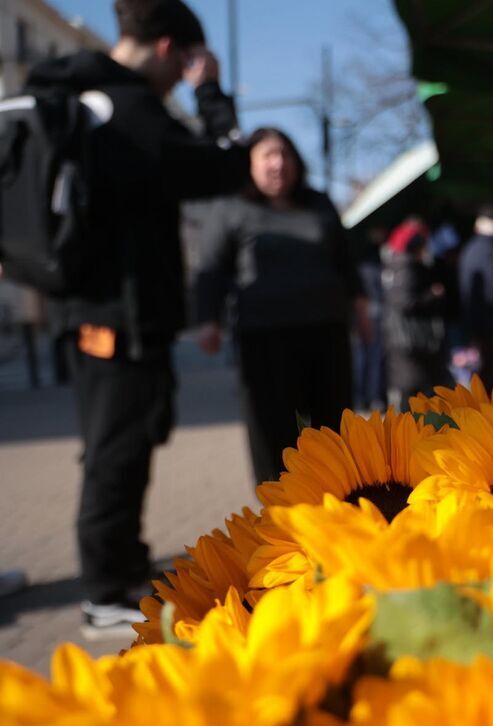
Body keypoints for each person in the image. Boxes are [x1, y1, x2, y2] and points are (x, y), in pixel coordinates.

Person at [25, 0, 249, 638]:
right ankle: (105, 593)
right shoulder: (131, 112)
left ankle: (120, 567)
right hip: (115, 316)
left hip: (97, 311)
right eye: (185, 65)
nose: (184, 76)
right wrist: (212, 96)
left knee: (118, 443)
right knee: (115, 451)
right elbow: (224, 166)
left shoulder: (90, 102)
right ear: (168, 48)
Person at [194, 127, 371, 485]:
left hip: (326, 334)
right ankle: (280, 515)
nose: (278, 164)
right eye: (268, 156)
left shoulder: (319, 204)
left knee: (334, 431)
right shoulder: (232, 209)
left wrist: (363, 309)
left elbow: (346, 261)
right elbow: (210, 269)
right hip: (265, 340)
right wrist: (207, 320)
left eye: (285, 154)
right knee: (272, 434)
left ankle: (339, 507)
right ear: (250, 165)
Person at [381, 218, 453, 406]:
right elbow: (406, 302)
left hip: (401, 338)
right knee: (417, 391)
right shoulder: (408, 267)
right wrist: (432, 294)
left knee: (410, 388)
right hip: (412, 339)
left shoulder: (393, 265)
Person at [457, 207, 493, 377]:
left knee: (478, 371)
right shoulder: (490, 250)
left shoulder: (470, 248)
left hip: (474, 319)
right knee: (488, 372)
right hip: (488, 320)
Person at [354, 227, 388, 410]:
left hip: (366, 316)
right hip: (372, 317)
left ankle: (366, 397)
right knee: (371, 359)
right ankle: (372, 397)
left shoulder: (364, 263)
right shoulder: (370, 264)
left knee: (366, 360)